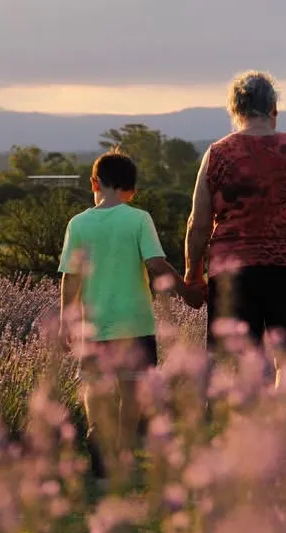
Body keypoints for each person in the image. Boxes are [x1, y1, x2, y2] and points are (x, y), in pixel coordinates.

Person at [58, 150, 203, 485]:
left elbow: (71, 277)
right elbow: (156, 265)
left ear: (94, 183)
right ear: (132, 191)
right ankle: (122, 452)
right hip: (135, 322)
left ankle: (96, 430)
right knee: (132, 390)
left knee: (94, 385)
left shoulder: (77, 224)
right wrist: (187, 292)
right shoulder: (139, 219)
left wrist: (67, 318)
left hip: (94, 325)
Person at [184, 70, 286, 360]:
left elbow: (199, 223)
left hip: (232, 274)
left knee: (232, 365)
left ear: (235, 110)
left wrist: (193, 274)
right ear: (274, 109)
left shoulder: (217, 154)